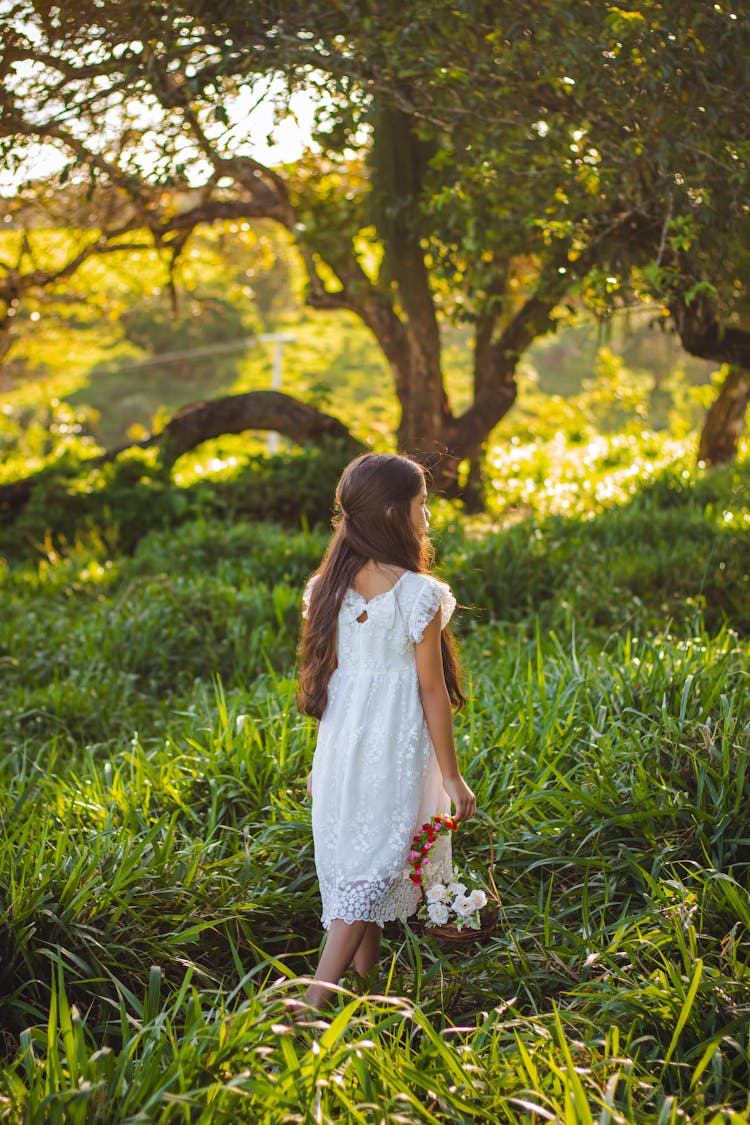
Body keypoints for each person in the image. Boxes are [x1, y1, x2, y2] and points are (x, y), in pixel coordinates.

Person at [297, 451, 476, 1011]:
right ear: (397, 513)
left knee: (360, 861)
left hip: (342, 746)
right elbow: (431, 691)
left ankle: (367, 996)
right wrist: (452, 776)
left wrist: (317, 762)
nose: (428, 518)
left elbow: (329, 681)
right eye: (423, 506)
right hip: (393, 746)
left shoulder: (327, 586)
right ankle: (310, 1005)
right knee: (369, 872)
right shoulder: (416, 593)